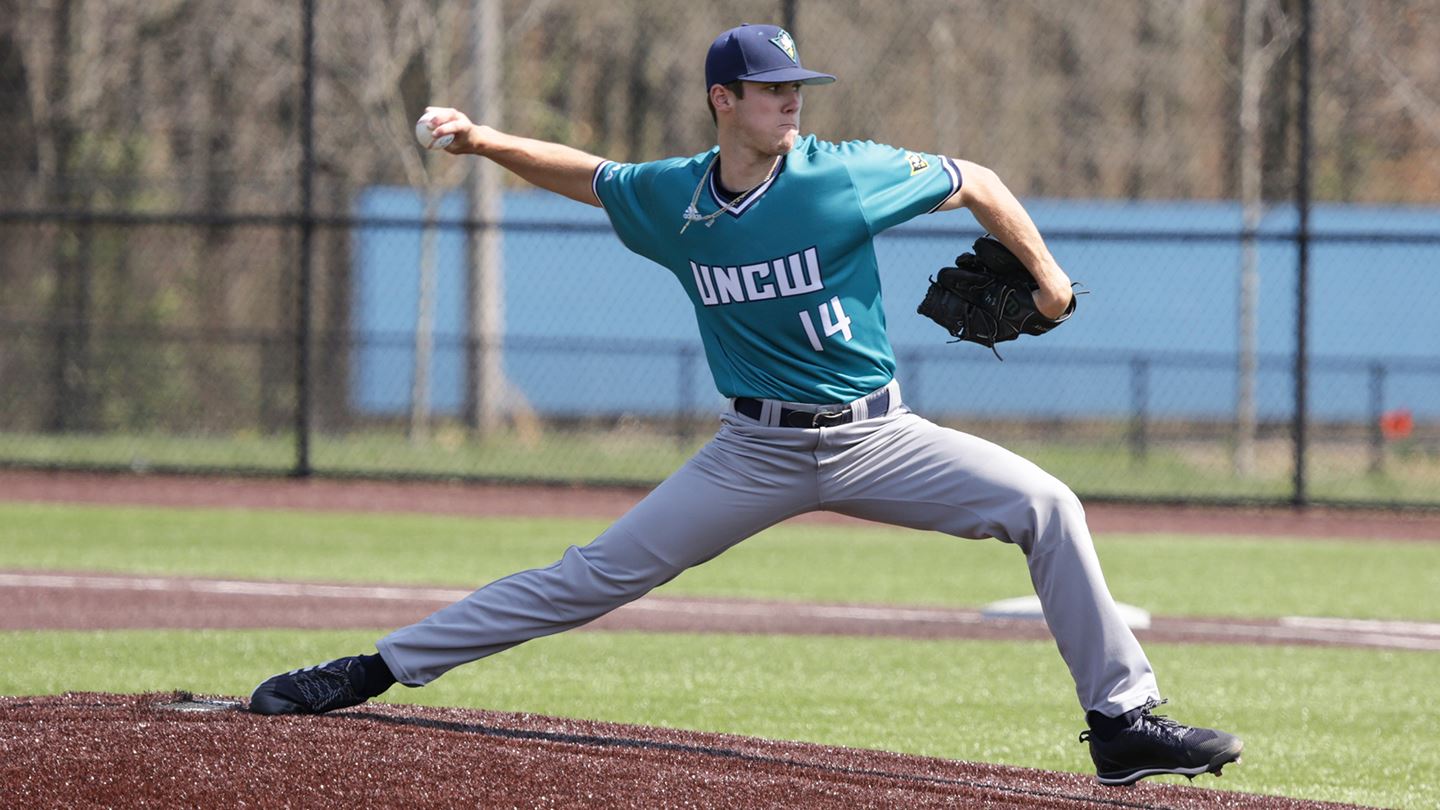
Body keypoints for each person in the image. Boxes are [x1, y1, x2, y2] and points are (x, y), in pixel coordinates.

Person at [251, 23, 1242, 787]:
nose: (791, 106)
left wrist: (1051, 278)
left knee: (1048, 506)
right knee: (587, 577)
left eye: (796, 90)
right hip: (752, 453)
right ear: (723, 100)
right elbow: (588, 177)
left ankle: (1122, 723)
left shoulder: (840, 177)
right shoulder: (675, 199)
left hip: (879, 435)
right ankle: (376, 669)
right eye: (772, 91)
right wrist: (482, 141)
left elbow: (975, 181)